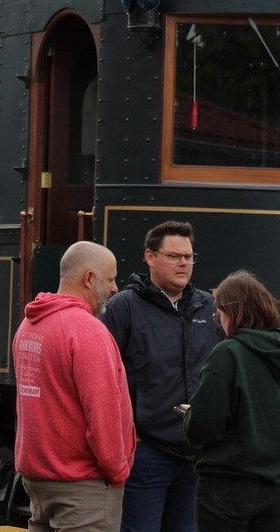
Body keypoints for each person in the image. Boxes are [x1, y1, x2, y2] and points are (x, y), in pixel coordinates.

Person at [102, 221, 220, 532]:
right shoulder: (124, 307)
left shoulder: (208, 307)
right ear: (150, 257)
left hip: (196, 456)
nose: (183, 263)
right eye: (174, 256)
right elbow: (104, 375)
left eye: (189, 257)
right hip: (147, 454)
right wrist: (127, 429)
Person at [14, 240, 137, 532]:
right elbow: (103, 413)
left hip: (40, 480)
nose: (115, 288)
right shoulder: (87, 330)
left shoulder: (29, 325)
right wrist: (118, 471)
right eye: (110, 279)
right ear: (89, 278)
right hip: (83, 487)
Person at [183, 271, 280, 532]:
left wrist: (190, 415)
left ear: (234, 312)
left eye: (220, 315)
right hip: (278, 489)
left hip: (227, 486)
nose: (220, 323)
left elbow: (203, 428)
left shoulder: (228, 353)